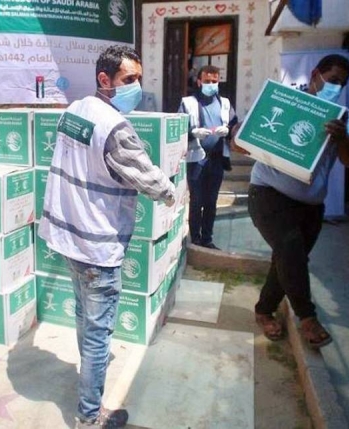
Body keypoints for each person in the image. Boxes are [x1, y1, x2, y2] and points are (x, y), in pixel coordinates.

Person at [38, 45, 176, 428]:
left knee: (85, 315)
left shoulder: (75, 111)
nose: (137, 86)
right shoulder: (114, 127)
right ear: (105, 80)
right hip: (97, 246)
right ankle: (88, 416)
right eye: (128, 80)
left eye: (138, 78)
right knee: (99, 334)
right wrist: (173, 191)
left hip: (69, 238)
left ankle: (88, 380)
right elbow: (148, 179)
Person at [237, 54, 349, 349]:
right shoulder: (285, 101)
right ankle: (307, 318)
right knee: (290, 247)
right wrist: (240, 136)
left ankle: (264, 311)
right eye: (332, 80)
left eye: (341, 84)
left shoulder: (344, 117)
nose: (336, 87)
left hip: (310, 206)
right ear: (316, 74)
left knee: (288, 258)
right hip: (267, 192)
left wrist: (342, 139)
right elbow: (242, 142)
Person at [178, 65, 238, 249]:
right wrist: (192, 132)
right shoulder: (188, 102)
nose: (210, 84)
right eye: (207, 81)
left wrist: (227, 131)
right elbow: (178, 129)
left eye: (214, 81)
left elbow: (235, 128)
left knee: (211, 201)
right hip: (196, 159)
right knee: (196, 200)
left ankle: (207, 239)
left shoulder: (225, 103)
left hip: (217, 158)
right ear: (198, 81)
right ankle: (195, 238)